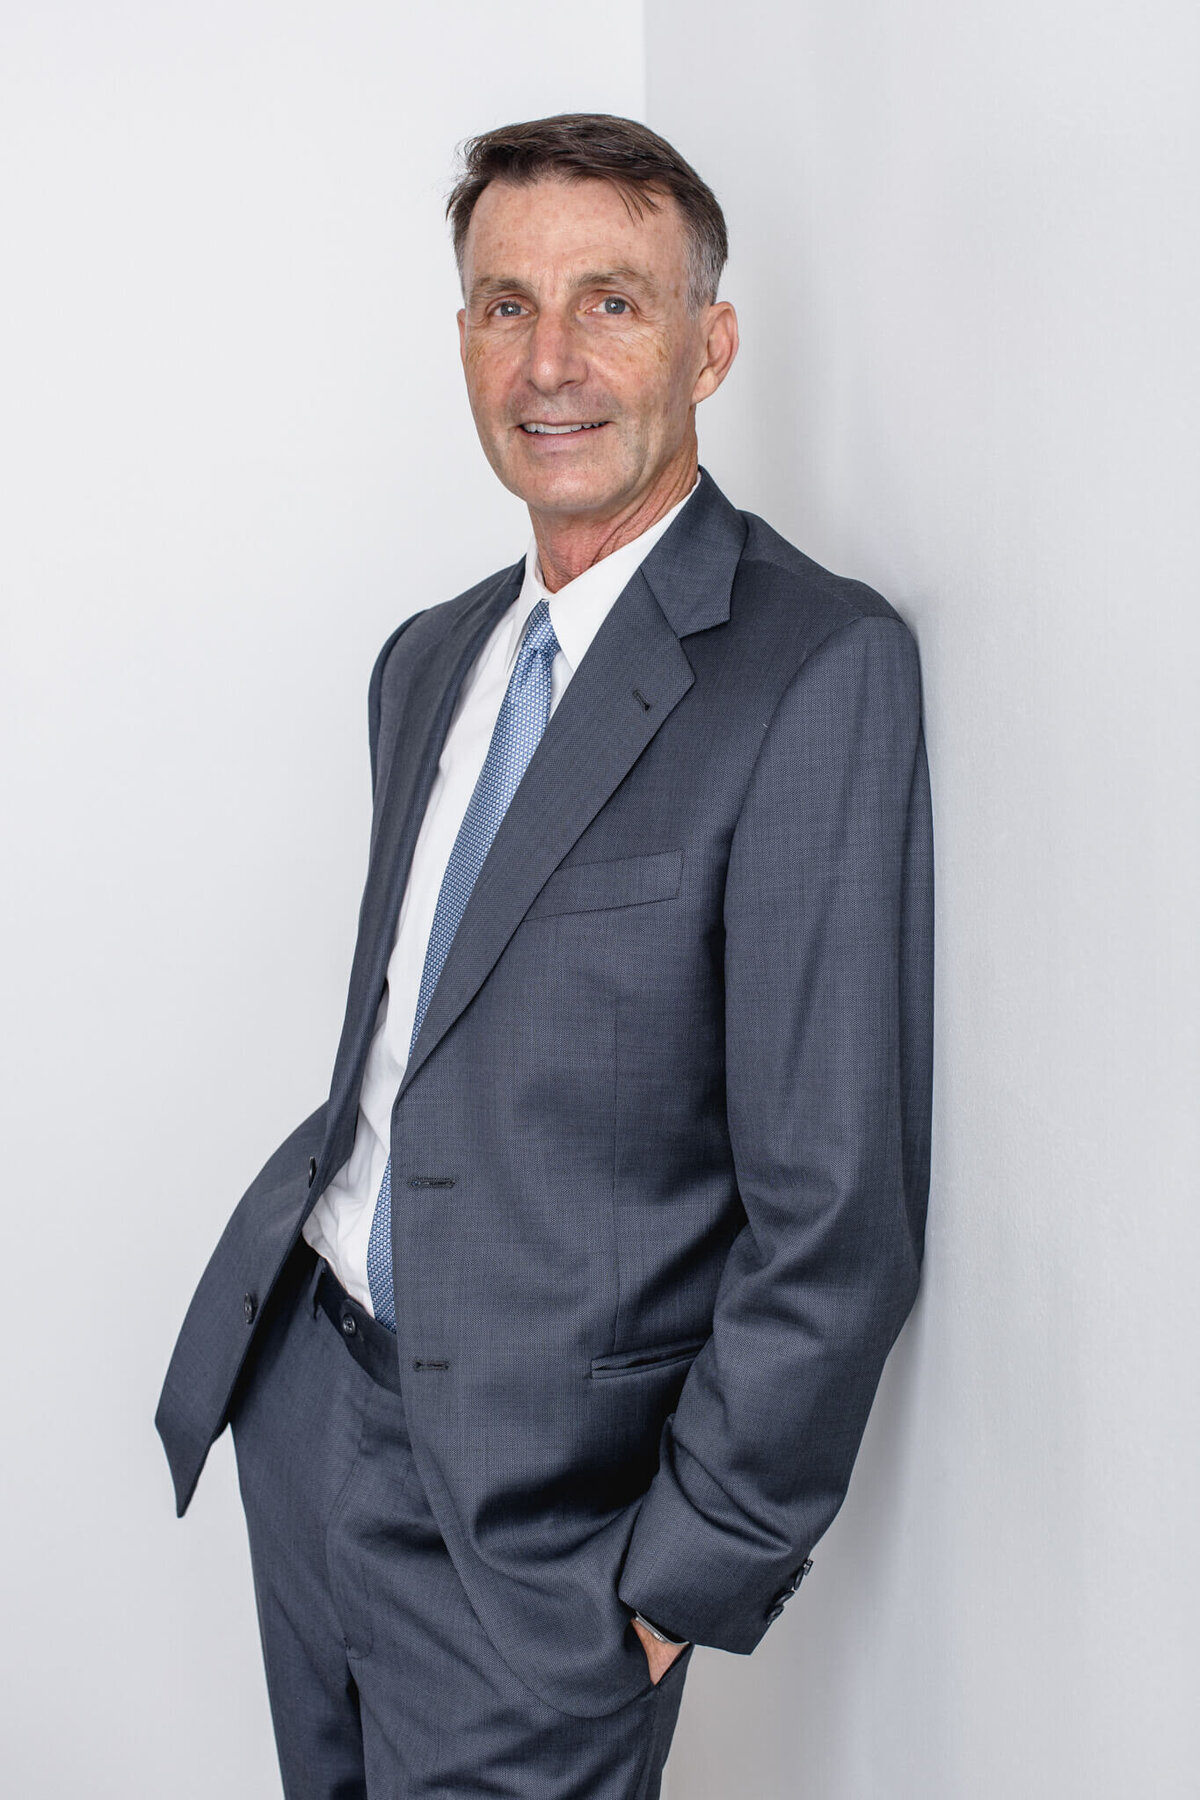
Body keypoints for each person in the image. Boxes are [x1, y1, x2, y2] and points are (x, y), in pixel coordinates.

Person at [156, 112, 934, 1800]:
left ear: (711, 344)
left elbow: (836, 1208)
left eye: (612, 304)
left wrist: (680, 1580)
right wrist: (295, 1404)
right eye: (506, 306)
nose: (552, 359)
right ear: (460, 342)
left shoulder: (815, 671)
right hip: (311, 1415)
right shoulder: (427, 663)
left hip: (544, 1539)